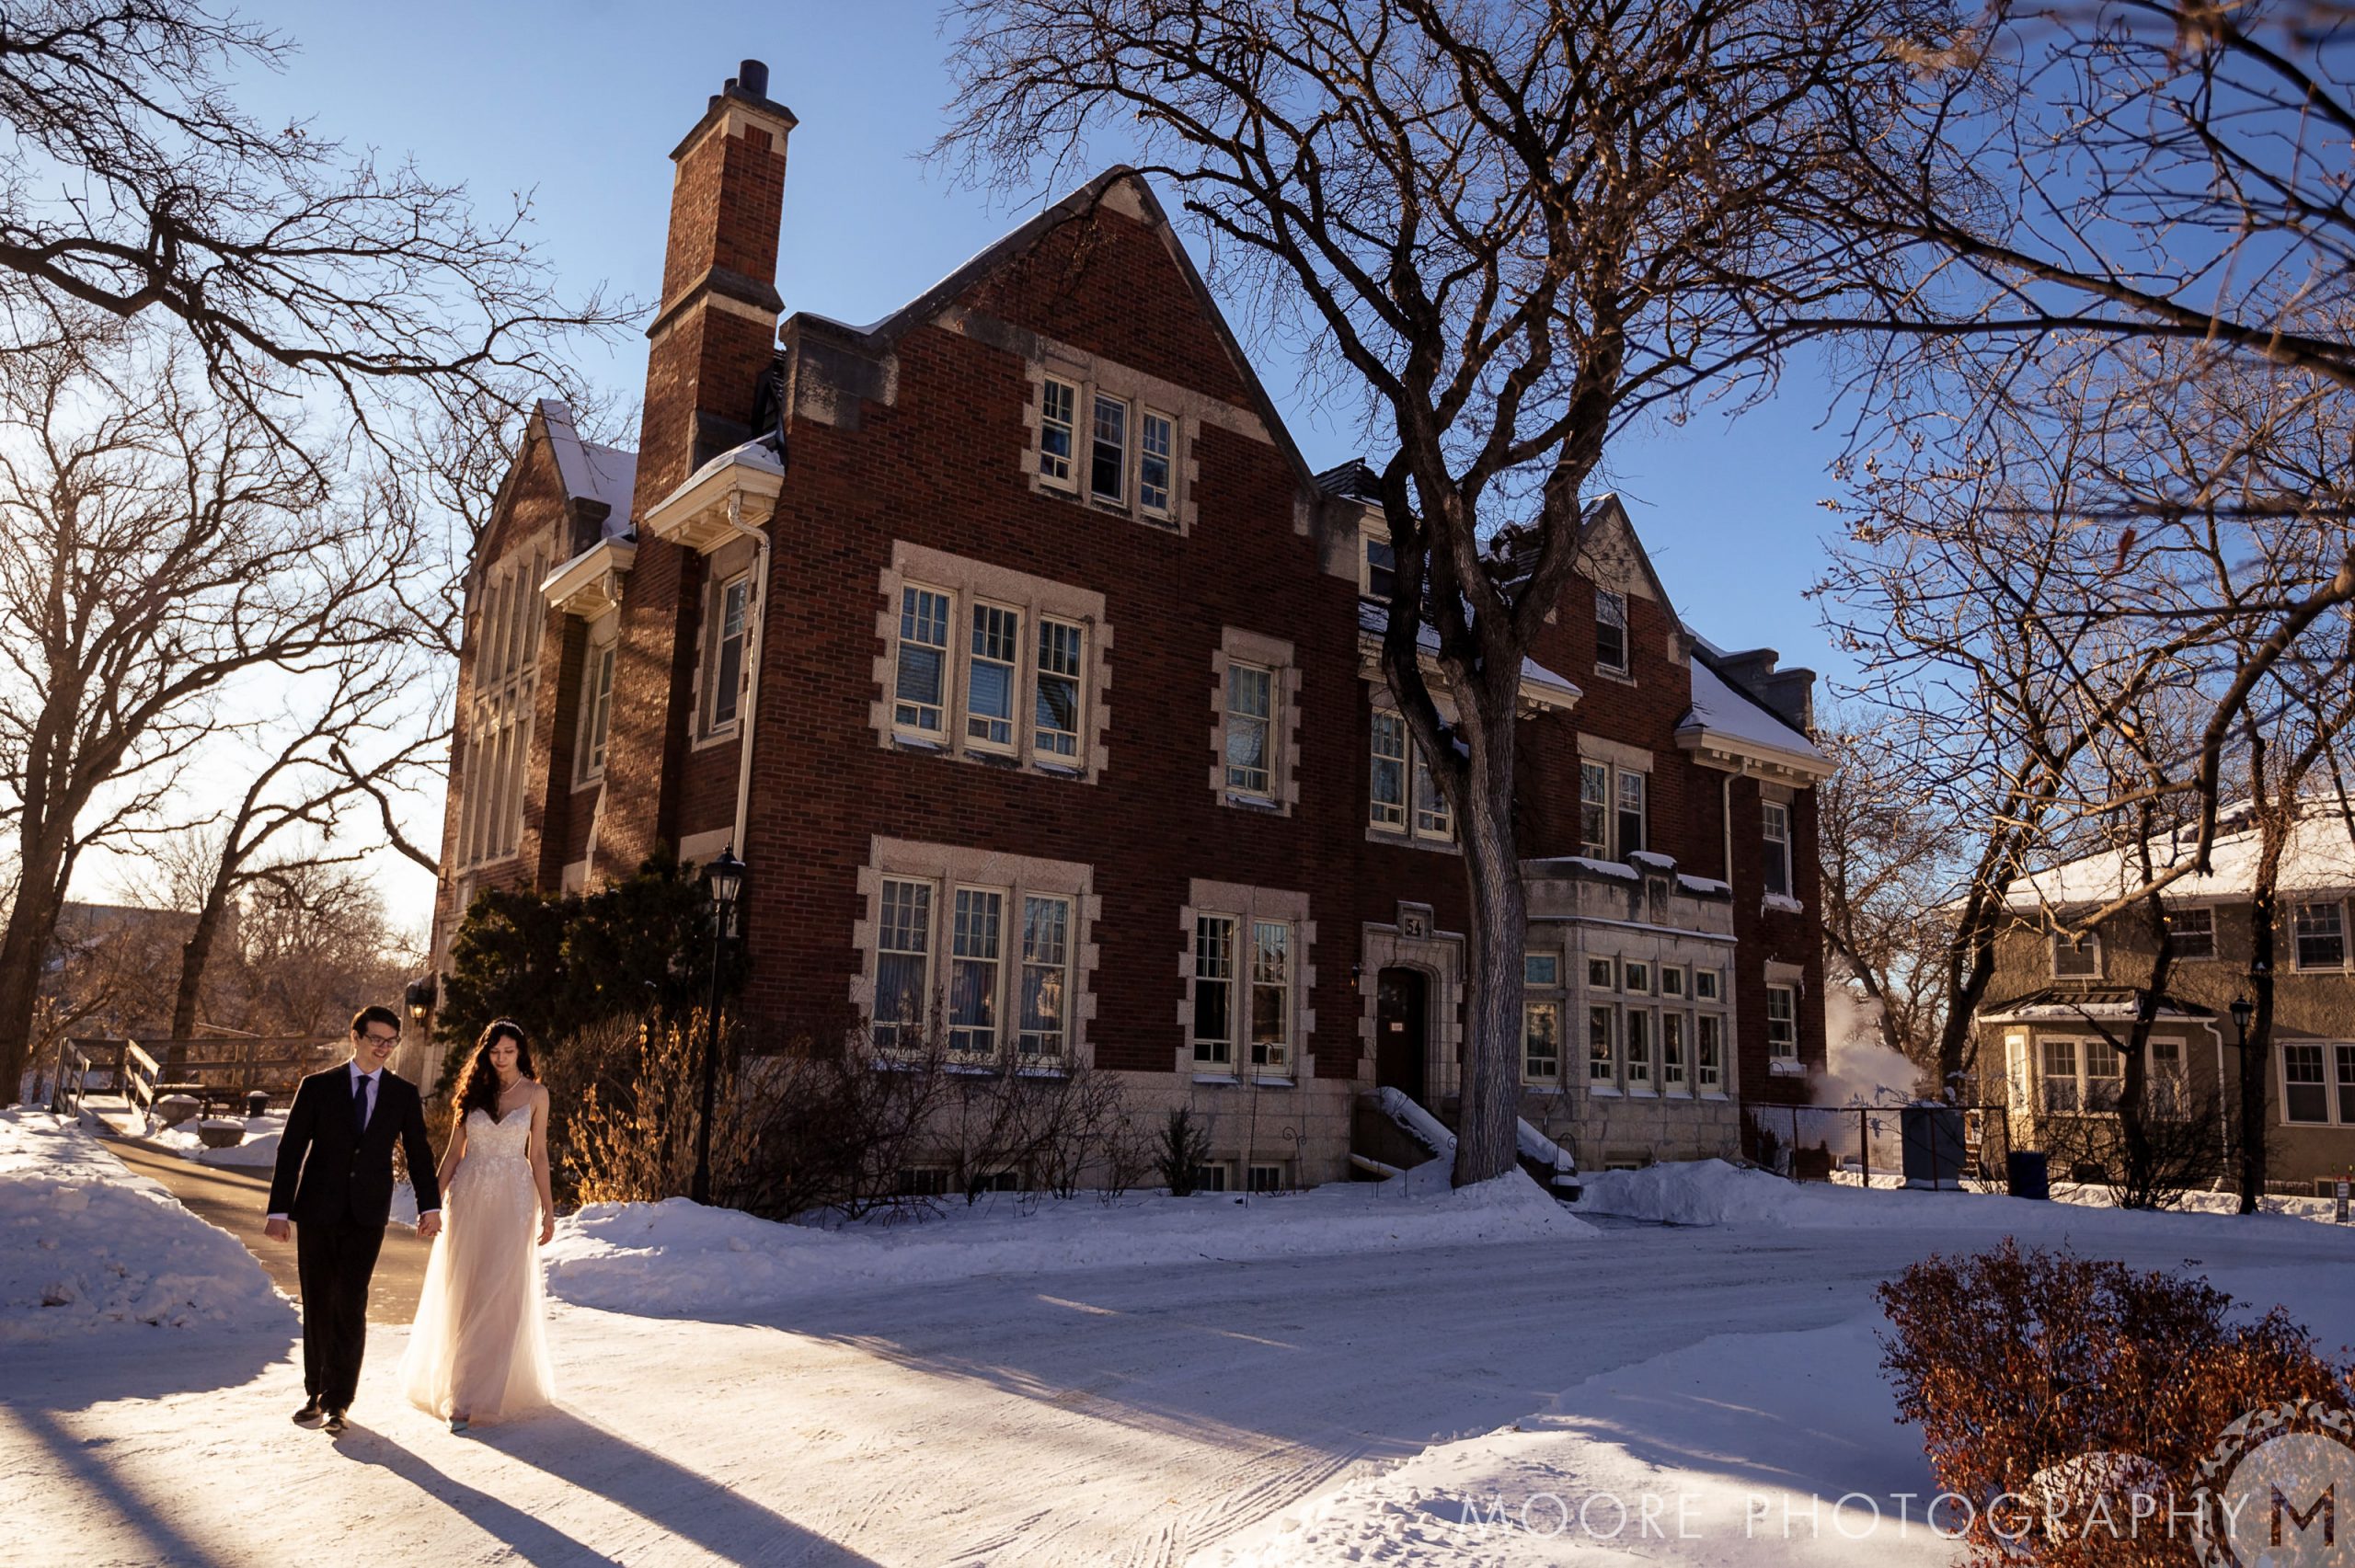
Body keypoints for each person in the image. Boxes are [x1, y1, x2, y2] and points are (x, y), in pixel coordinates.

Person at [265, 1005, 442, 1436]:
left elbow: (418, 1155)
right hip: (317, 1210)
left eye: (390, 1041)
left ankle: (339, 1401)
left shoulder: (402, 1093)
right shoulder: (317, 1087)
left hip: (367, 1214)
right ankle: (314, 1391)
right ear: (355, 1037)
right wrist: (278, 1210)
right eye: (375, 1038)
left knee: (351, 1301)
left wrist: (430, 1207)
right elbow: (291, 1151)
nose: (383, 1048)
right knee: (319, 1300)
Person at [398, 1019, 557, 1431]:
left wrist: (549, 1210)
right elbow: (453, 1154)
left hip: (515, 1198)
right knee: (466, 1289)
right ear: (485, 1053)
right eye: (494, 1052)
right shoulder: (472, 1093)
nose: (501, 1059)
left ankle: (483, 1394)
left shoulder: (537, 1095)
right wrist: (430, 1205)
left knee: (500, 1292)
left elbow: (538, 1155)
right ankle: (460, 1391)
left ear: (521, 1052)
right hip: (468, 1196)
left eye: (509, 1051)